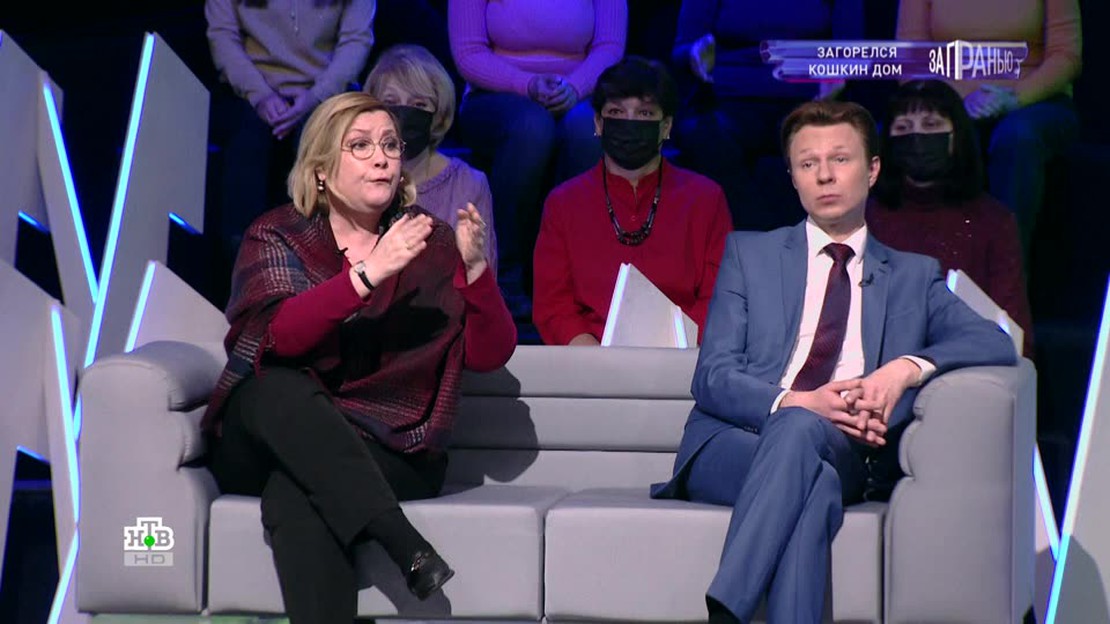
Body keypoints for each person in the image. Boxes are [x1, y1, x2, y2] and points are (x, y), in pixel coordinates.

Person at [650, 100, 1017, 623]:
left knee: (809, 450)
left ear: (872, 169)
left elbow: (993, 340)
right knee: (810, 470)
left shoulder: (912, 275)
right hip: (732, 442)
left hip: (844, 449)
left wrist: (905, 368)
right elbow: (712, 377)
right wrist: (796, 402)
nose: (824, 175)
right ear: (792, 177)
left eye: (840, 159)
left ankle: (727, 608)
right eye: (808, 163)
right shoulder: (749, 256)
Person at [201, 92, 516, 624]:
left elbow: (489, 354)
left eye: (391, 145)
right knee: (273, 385)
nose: (382, 159)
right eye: (361, 146)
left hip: (392, 445)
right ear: (322, 169)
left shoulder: (431, 242)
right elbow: (279, 337)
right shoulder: (278, 234)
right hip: (270, 434)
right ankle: (402, 541)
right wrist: (369, 274)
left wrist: (476, 270)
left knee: (295, 493)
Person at [532, 57, 732, 346]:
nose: (630, 122)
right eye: (616, 111)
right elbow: (554, 305)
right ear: (598, 123)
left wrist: (676, 354)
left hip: (685, 358)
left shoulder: (706, 199)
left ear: (666, 126)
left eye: (645, 113)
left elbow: (718, 298)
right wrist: (594, 360)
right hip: (590, 361)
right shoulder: (563, 204)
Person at [449, 0, 628, 308]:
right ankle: (505, 274)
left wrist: (575, 87)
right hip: (494, 95)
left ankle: (575, 279)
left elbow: (609, 47)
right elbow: (468, 53)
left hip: (581, 92)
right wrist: (527, 85)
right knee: (531, 129)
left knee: (587, 131)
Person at [896, 0, 1083, 253]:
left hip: (1036, 99)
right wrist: (956, 102)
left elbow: (1066, 56)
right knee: (931, 137)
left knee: (1017, 137)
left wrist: (1015, 97)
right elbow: (911, 57)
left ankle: (1008, 267)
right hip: (948, 101)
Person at [205, 0, 376, 271]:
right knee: (247, 142)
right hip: (249, 93)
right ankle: (242, 263)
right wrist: (261, 96)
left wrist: (316, 96)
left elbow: (356, 42)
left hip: (324, 92)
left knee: (321, 137)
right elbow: (223, 37)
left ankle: (322, 263)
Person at [869, 79, 1034, 357]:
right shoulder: (864, 217)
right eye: (903, 128)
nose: (917, 137)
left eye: (931, 125)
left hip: (964, 364)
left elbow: (1015, 333)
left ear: (957, 136)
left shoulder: (993, 220)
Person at [671, 0, 864, 231]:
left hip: (807, 100)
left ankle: (771, 242)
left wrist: (840, 69)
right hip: (728, 98)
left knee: (812, 145)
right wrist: (694, 53)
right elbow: (683, 47)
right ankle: (762, 238)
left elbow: (852, 50)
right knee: (705, 136)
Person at [365, 44, 498, 274]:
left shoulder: (469, 183)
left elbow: (483, 278)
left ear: (438, 113)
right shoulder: (358, 178)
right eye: (392, 103)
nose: (404, 115)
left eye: (419, 105)